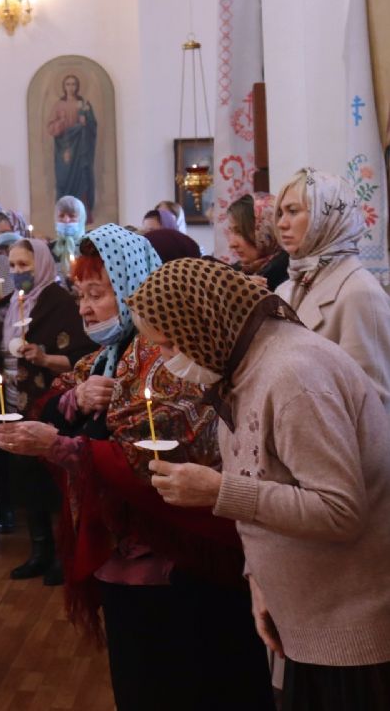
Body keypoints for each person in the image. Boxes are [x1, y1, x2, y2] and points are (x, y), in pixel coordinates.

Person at [0, 226, 272, 711]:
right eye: (80, 294)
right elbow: (56, 401)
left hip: (180, 563)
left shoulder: (171, 355)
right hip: (124, 557)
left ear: (132, 287)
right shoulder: (107, 354)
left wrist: (60, 444)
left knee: (191, 683)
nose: (84, 308)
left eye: (97, 294)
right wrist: (76, 400)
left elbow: (153, 462)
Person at [132, 258, 390, 710]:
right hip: (308, 620)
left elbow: (339, 511)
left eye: (170, 343)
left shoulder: (294, 376)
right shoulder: (243, 367)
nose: (169, 359)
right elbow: (263, 476)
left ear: (203, 321)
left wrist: (217, 491)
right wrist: (260, 580)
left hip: (350, 632)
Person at [0, 236, 95, 584]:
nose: (17, 272)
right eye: (12, 266)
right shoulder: (7, 304)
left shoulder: (60, 303)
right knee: (25, 479)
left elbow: (81, 358)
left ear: (40, 264)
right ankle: (39, 551)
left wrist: (43, 358)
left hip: (49, 403)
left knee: (52, 481)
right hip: (13, 402)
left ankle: (62, 556)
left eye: (24, 265)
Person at [274, 168, 390, 410]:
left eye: (293, 211)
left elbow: (374, 401)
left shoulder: (359, 292)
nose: (282, 223)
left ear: (326, 216)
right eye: (280, 213)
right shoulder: (287, 288)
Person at [47, 74, 97, 211]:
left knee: (82, 178)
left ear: (78, 86)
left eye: (73, 84)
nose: (71, 87)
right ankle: (64, 212)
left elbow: (92, 125)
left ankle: (82, 212)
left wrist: (86, 122)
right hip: (64, 148)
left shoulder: (84, 104)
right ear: (63, 86)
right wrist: (61, 123)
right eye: (68, 84)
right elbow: (51, 128)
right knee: (63, 179)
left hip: (81, 148)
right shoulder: (59, 105)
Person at [225, 192, 288, 289]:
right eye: (231, 231)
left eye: (240, 232)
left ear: (266, 229)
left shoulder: (289, 278)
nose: (232, 244)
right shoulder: (236, 274)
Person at [52, 194, 87, 275]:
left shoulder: (88, 248)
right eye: (61, 216)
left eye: (72, 216)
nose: (66, 220)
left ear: (81, 218)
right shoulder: (52, 248)